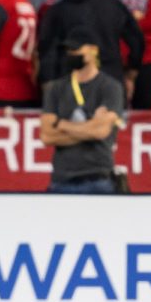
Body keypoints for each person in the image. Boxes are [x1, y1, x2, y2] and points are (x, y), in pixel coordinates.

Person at [39, 26, 124, 194]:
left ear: (93, 50)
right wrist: (90, 127)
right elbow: (47, 135)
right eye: (69, 50)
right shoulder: (55, 88)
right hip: (61, 179)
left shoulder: (110, 87)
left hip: (98, 177)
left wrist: (62, 124)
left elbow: (101, 132)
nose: (71, 53)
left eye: (76, 49)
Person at [37, 0, 144, 98]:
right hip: (111, 83)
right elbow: (137, 42)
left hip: (69, 88)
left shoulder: (56, 12)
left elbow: (47, 53)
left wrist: (48, 84)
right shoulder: (114, 5)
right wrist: (131, 74)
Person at [100, 0, 151, 109]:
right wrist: (134, 20)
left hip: (146, 59)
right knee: (112, 111)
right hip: (114, 60)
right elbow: (102, 25)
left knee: (143, 111)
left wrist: (122, 24)